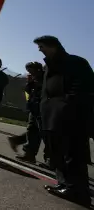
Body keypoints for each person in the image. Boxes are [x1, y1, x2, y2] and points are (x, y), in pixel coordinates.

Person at [34, 36, 93, 206]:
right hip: (50, 116)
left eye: (42, 46)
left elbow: (84, 88)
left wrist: (66, 106)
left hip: (71, 116)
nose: (40, 49)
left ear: (53, 46)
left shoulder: (76, 62)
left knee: (73, 154)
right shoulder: (48, 67)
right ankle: (65, 184)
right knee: (57, 151)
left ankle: (78, 191)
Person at [7, 62, 49, 164]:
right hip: (34, 108)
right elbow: (30, 91)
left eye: (32, 70)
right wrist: (30, 83)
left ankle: (50, 159)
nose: (30, 73)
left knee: (46, 134)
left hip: (44, 109)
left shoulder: (46, 78)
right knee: (32, 131)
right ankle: (29, 154)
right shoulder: (35, 79)